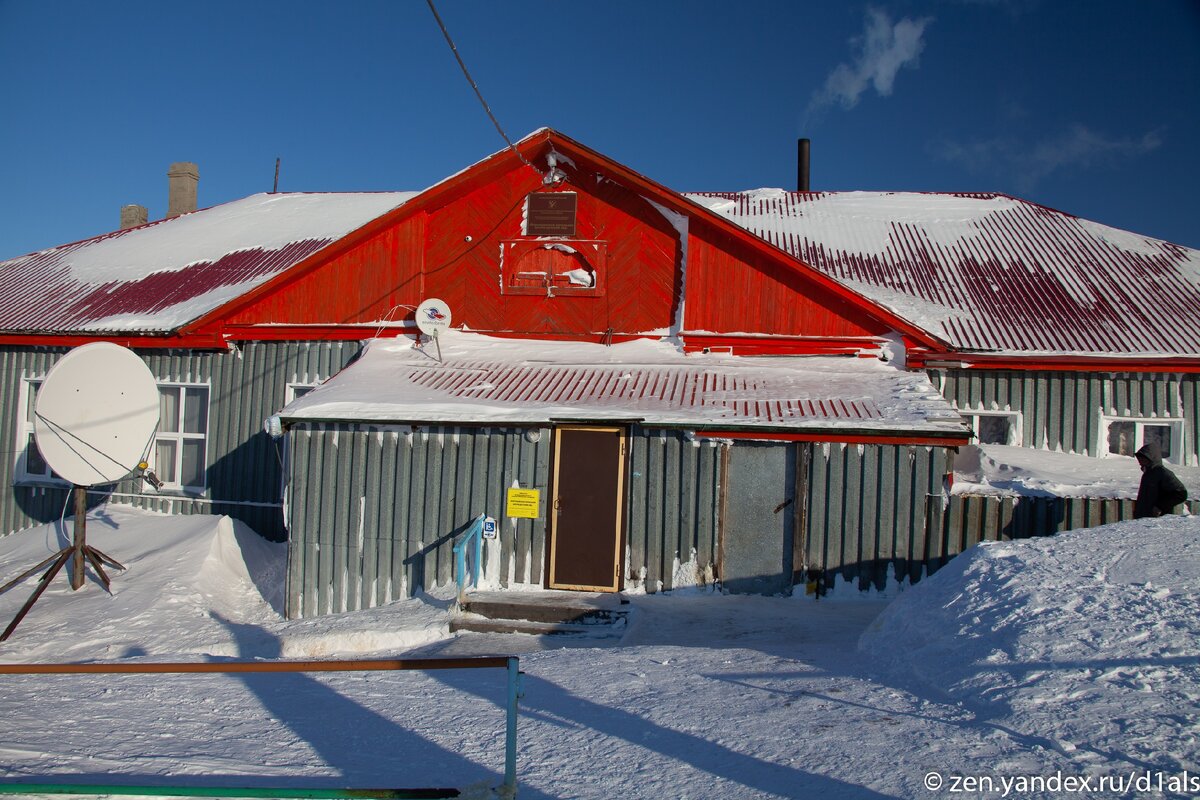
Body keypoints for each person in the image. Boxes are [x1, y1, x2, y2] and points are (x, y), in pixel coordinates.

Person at [1133, 442, 1189, 518]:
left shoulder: (1162, 473)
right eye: (1139, 458)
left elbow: (1181, 493)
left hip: (1157, 522)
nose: (1139, 461)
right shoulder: (1147, 474)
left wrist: (1160, 506)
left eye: (1142, 458)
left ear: (1151, 457)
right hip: (1144, 520)